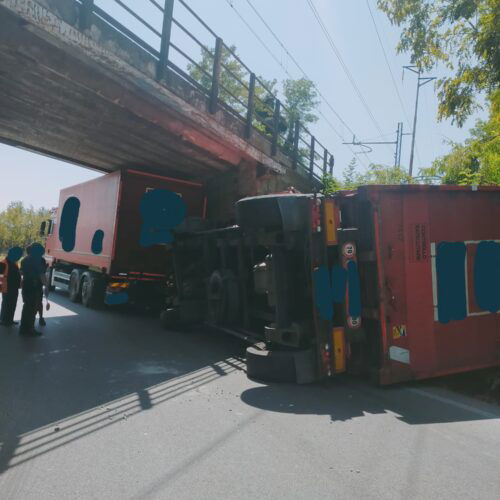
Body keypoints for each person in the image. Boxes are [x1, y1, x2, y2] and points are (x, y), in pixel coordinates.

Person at [19, 243, 47, 336]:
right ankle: (30, 330)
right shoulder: (37, 260)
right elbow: (41, 274)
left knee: (26, 307)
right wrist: (46, 285)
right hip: (34, 286)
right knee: (32, 309)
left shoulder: (24, 260)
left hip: (26, 285)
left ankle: (23, 329)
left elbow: (22, 272)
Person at [0, 246, 23, 326]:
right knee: (6, 304)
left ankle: (10, 320)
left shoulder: (14, 263)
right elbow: (0, 276)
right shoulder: (3, 263)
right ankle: (3, 320)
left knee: (13, 304)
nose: (19, 257)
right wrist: (1, 287)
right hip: (6, 287)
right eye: (19, 255)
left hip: (14, 287)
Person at [36, 256, 48, 327]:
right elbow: (43, 275)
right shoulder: (41, 260)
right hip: (36, 286)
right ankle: (40, 318)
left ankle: (40, 318)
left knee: (36, 303)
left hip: (34, 286)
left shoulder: (28, 259)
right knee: (38, 303)